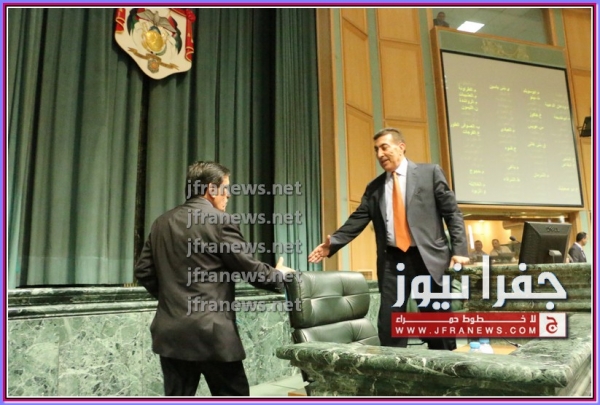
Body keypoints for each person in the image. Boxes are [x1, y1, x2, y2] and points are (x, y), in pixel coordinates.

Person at [135, 161, 295, 396]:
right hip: (212, 335)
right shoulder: (221, 221)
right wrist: (279, 275)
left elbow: (143, 271)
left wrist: (174, 299)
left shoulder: (161, 222)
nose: (228, 195)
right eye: (226, 188)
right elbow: (249, 269)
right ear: (211, 189)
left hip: (171, 333)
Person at [308, 127, 469, 349]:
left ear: (401, 147)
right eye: (376, 150)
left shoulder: (429, 173)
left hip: (428, 258)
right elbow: (358, 219)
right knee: (390, 321)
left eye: (384, 147)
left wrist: (459, 251)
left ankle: (444, 365)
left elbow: (452, 213)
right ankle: (392, 366)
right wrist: (333, 243)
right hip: (393, 261)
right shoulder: (374, 188)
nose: (380, 154)